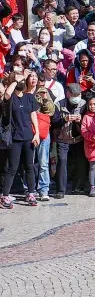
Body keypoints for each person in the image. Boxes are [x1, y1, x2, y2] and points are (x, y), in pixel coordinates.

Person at [1, 67, 39, 208]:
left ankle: (30, 193)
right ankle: (5, 196)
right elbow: (6, 95)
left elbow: (33, 114)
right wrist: (14, 81)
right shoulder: (12, 98)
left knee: (29, 166)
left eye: (23, 79)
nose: (22, 81)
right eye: (19, 80)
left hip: (28, 136)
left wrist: (36, 132)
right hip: (15, 138)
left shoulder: (29, 97)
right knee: (12, 168)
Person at [53, 83, 86, 198]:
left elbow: (89, 120)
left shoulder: (84, 104)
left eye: (78, 94)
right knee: (62, 161)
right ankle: (61, 190)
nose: (76, 97)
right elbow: (54, 122)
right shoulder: (59, 104)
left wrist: (80, 120)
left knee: (81, 162)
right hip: (63, 138)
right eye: (74, 95)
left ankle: (78, 187)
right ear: (68, 94)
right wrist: (65, 119)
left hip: (78, 138)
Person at [34, 90, 55, 201]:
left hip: (43, 131)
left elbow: (51, 112)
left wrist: (45, 99)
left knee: (43, 162)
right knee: (30, 163)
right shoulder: (27, 93)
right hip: (29, 130)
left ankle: (44, 189)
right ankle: (30, 189)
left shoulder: (45, 92)